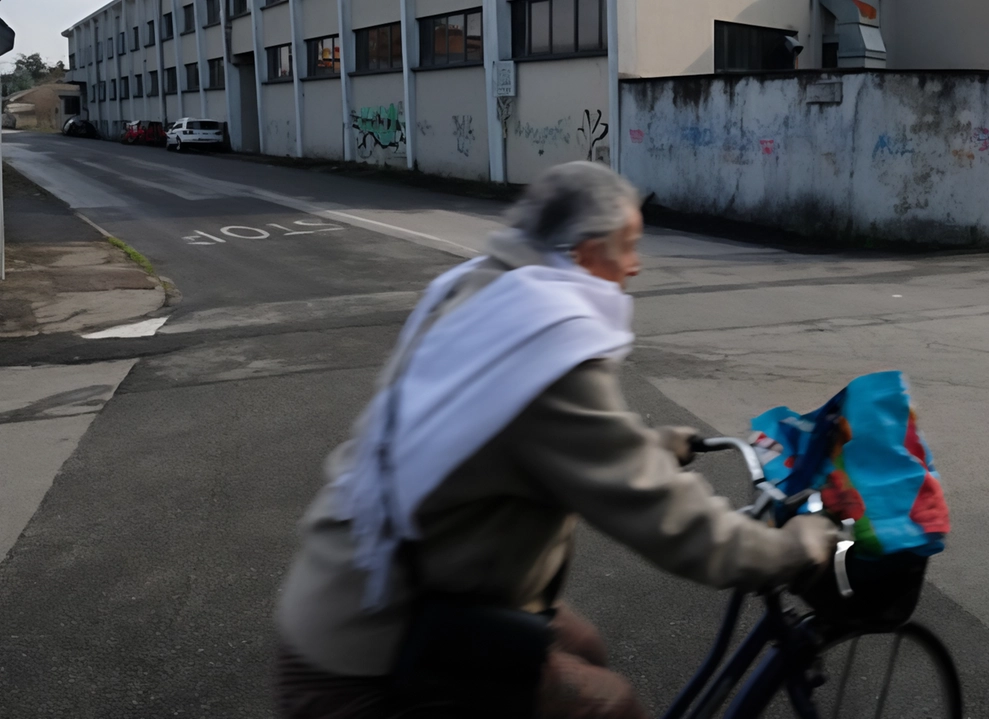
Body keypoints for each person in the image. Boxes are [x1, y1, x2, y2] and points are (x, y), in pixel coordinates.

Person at [274, 161, 838, 719]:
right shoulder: (546, 345)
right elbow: (671, 521)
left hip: (379, 577)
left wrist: (650, 445)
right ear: (583, 252)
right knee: (610, 704)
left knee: (582, 644)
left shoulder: (484, 285)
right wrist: (795, 549)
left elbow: (525, 440)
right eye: (629, 245)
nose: (636, 267)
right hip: (374, 649)